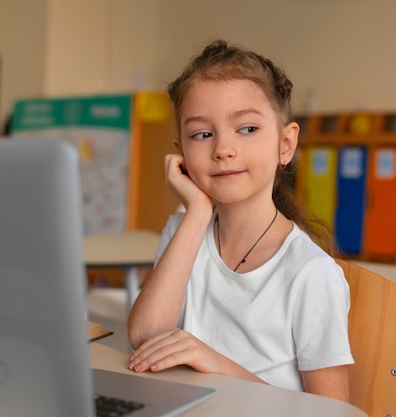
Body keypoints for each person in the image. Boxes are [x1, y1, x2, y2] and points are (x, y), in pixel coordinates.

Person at [127, 40, 353, 402]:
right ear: (181, 153)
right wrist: (197, 211)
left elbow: (331, 413)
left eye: (246, 129)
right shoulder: (184, 231)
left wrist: (216, 363)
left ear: (286, 143)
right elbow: (144, 336)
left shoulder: (311, 273)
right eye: (202, 134)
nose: (222, 149)